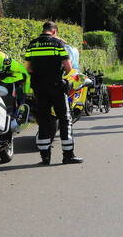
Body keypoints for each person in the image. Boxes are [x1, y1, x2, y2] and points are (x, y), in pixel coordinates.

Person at [25, 21, 83, 165]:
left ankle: (45, 158)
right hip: (57, 87)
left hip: (39, 88)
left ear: (43, 30)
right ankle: (68, 156)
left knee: (43, 120)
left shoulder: (32, 44)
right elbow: (69, 68)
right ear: (55, 31)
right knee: (65, 119)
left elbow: (28, 68)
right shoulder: (58, 44)